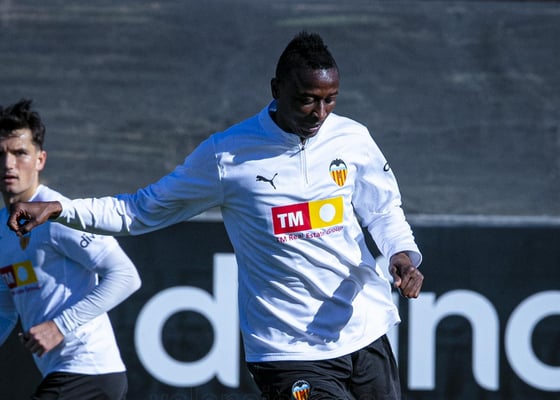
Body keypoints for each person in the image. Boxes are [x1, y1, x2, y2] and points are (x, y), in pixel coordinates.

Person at [8, 32, 423, 399]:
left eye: (330, 100)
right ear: (276, 89)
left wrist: (401, 253)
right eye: (306, 99)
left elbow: (383, 209)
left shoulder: (352, 138)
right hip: (288, 349)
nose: (319, 113)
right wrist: (61, 208)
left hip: (364, 329)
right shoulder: (227, 155)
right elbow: (139, 209)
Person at [0, 99, 141, 400]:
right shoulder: (2, 227)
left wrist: (59, 326)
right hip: (63, 373)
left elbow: (126, 275)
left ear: (40, 160)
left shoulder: (57, 215)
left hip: (90, 371)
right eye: (1, 154)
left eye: (20, 153)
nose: (8, 164)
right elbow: (4, 308)